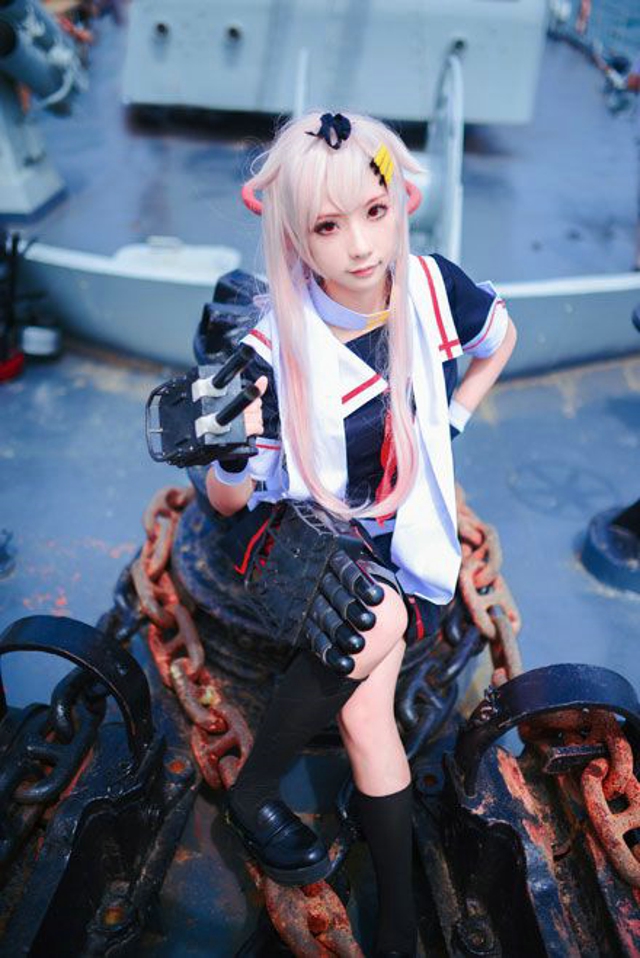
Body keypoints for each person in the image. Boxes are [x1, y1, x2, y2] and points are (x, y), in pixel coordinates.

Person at [205, 111, 517, 957]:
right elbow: (228, 500)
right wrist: (229, 449)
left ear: (400, 202)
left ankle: (399, 928)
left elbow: (499, 340)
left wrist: (452, 417)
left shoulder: (429, 289)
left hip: (400, 537)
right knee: (372, 622)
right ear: (294, 235)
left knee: (368, 726)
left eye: (375, 212)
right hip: (307, 537)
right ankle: (255, 790)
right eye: (328, 226)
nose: (359, 246)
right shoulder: (272, 349)